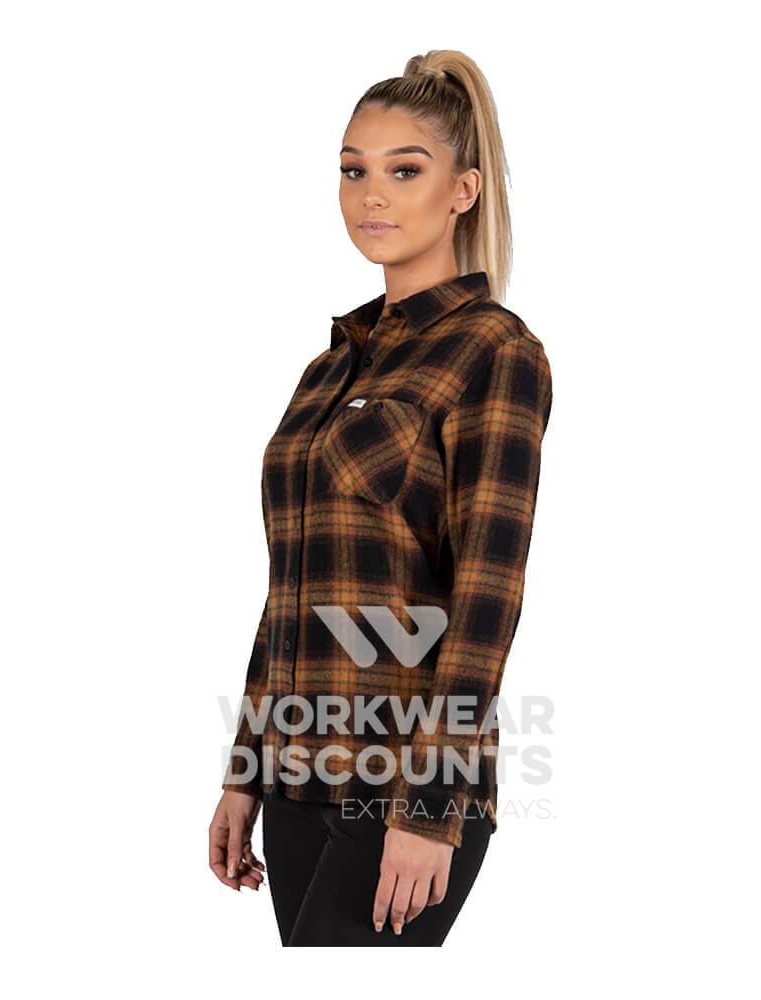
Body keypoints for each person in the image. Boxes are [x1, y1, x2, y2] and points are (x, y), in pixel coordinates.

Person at [208, 49, 553, 946]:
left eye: (405, 171)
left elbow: (487, 599)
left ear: (464, 190)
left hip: (404, 786)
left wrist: (431, 805)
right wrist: (246, 770)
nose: (372, 195)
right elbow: (290, 591)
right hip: (296, 776)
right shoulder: (329, 368)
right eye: (353, 170)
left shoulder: (494, 351)